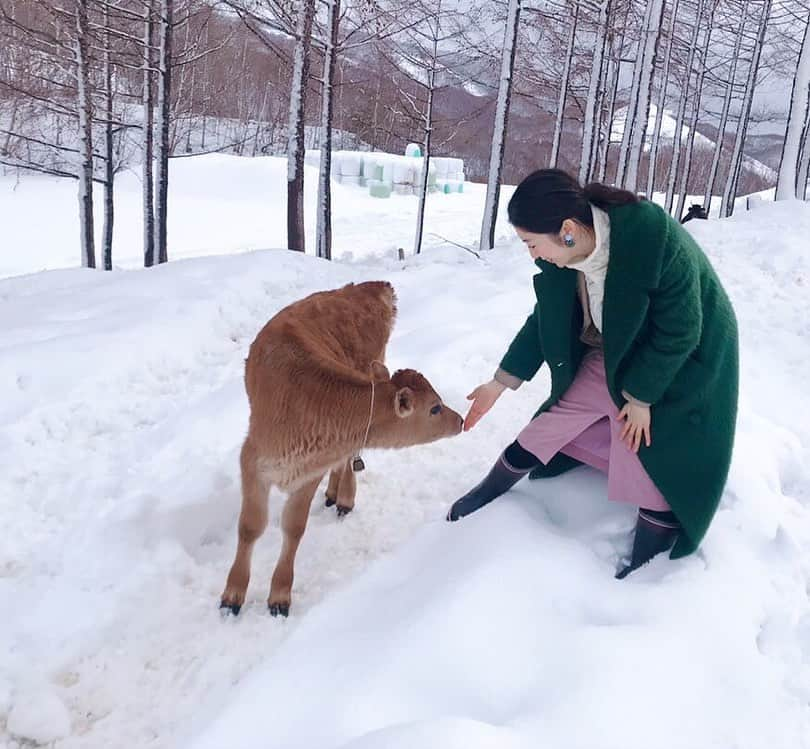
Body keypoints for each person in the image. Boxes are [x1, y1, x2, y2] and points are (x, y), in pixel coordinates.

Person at [447, 169, 738, 578]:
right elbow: (545, 319)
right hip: (614, 352)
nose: (533, 254)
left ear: (567, 229)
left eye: (532, 243)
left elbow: (681, 330)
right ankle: (490, 488)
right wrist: (501, 381)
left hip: (684, 360)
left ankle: (647, 553)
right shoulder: (571, 253)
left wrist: (639, 398)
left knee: (643, 443)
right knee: (560, 415)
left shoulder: (651, 241)